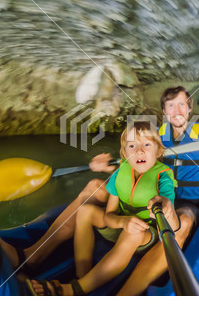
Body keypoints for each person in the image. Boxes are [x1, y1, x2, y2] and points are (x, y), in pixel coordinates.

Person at [0, 85, 199, 294]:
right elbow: (132, 160)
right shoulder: (156, 135)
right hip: (148, 191)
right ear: (164, 111)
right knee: (93, 187)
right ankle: (32, 256)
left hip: (186, 202)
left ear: (190, 108)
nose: (177, 111)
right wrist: (105, 167)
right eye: (171, 106)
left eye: (182, 105)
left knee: (182, 224)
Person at [27, 122, 179, 295]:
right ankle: (82, 276)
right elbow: (109, 215)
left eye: (146, 144)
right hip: (120, 223)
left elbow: (169, 212)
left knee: (132, 233)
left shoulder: (163, 177)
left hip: (143, 234)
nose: (139, 151)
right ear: (124, 153)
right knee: (85, 211)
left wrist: (166, 206)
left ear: (158, 151)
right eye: (132, 145)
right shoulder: (120, 172)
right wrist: (122, 221)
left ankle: (75, 289)